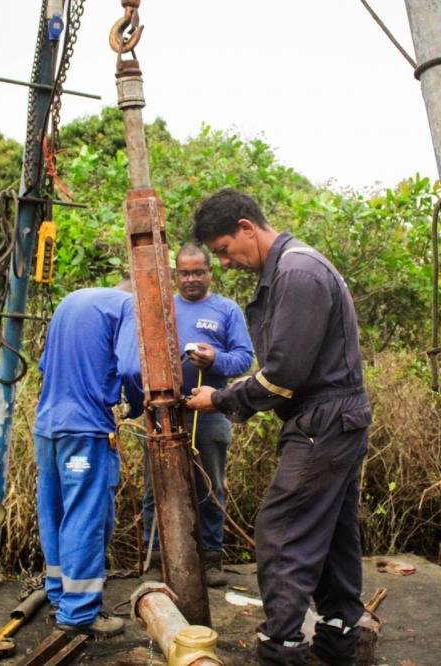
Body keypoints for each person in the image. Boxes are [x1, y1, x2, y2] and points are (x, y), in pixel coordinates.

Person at [185, 188, 372, 665]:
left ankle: (281, 648)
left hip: (324, 423)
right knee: (331, 532)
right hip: (335, 419)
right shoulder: (294, 267)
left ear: (247, 228)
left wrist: (222, 398)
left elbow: (284, 375)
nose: (223, 263)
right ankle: (337, 638)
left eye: (224, 250)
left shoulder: (297, 272)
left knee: (282, 531)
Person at [33, 280, 143, 638]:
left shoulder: (71, 301)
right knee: (86, 516)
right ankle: (79, 613)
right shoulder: (129, 306)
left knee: (56, 512)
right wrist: (137, 404)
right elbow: (131, 368)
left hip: (48, 425)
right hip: (85, 429)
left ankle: (60, 595)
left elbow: (43, 364)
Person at [141, 243, 254, 587]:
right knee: (156, 487)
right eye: (185, 272)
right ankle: (158, 558)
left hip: (209, 411)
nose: (191, 279)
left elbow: (244, 358)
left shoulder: (226, 309)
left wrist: (214, 359)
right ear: (176, 274)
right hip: (164, 412)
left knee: (209, 486)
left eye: (198, 272)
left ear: (209, 273)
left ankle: (210, 559)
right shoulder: (162, 307)